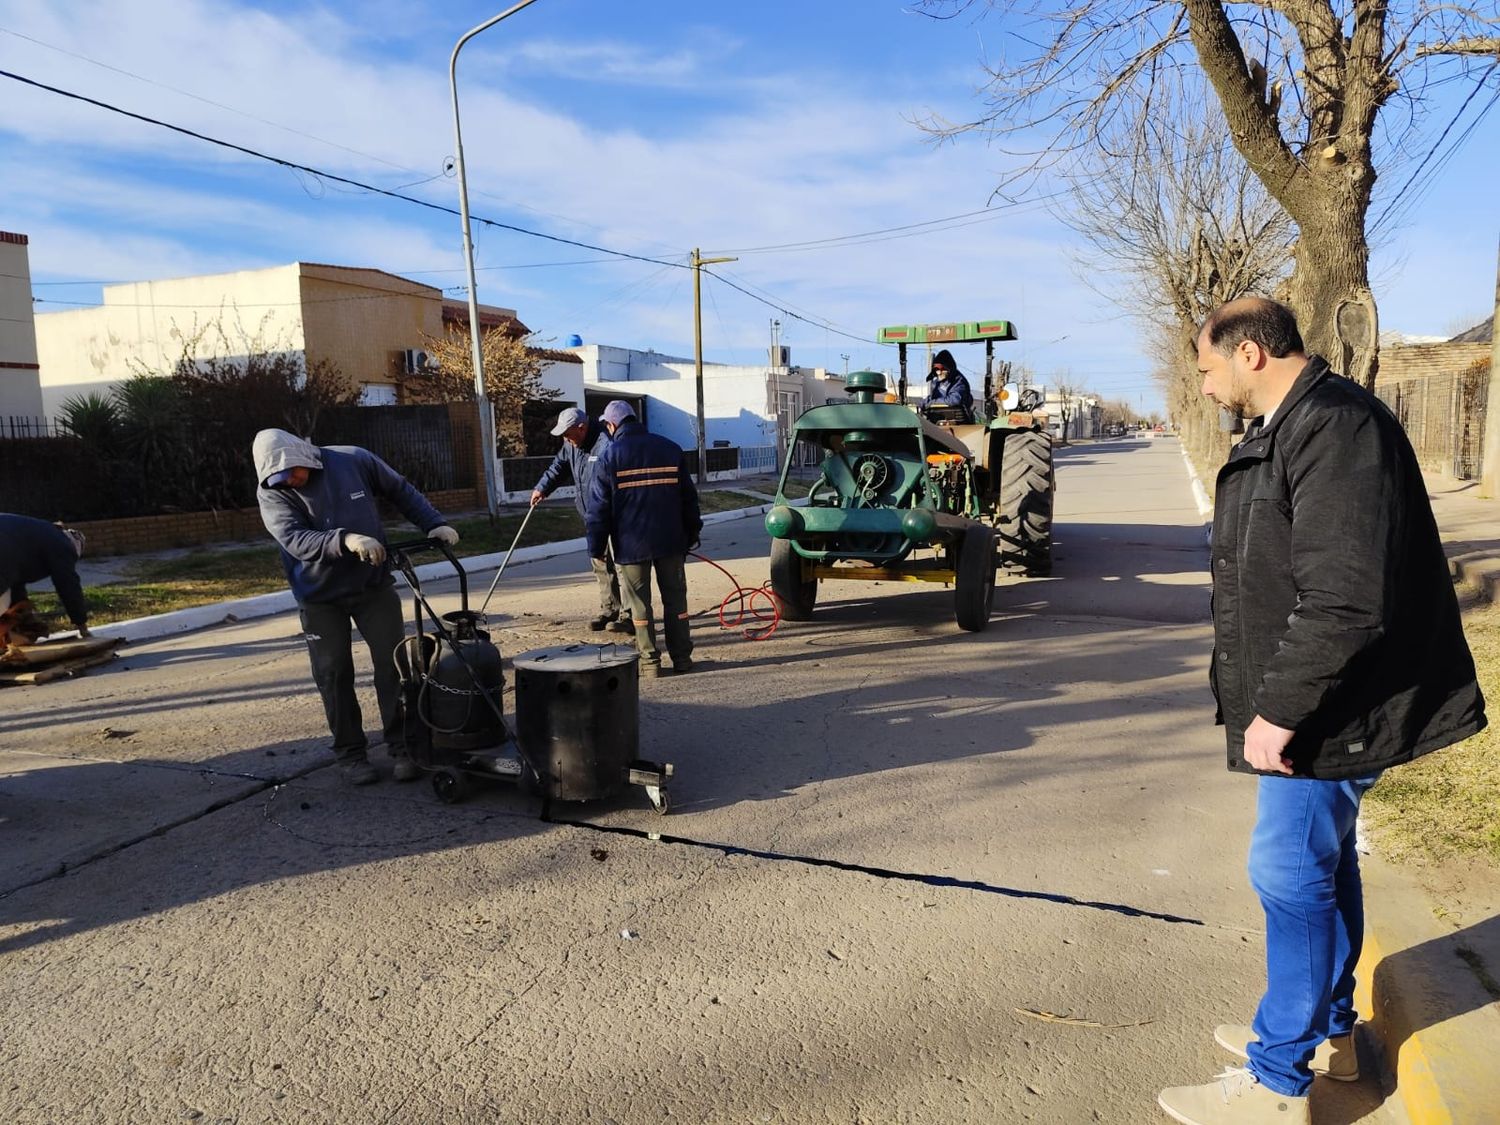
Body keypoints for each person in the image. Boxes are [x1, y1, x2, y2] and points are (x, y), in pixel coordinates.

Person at [1157, 297, 1486, 1125]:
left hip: (1334, 706)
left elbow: (1343, 599)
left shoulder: (1335, 429)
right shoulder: (1296, 426)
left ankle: (1277, 1079)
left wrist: (1278, 710)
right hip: (1327, 699)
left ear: (1251, 353)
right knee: (1324, 863)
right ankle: (1332, 1033)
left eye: (1205, 367)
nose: (1202, 385)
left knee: (1288, 871)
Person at [252, 429, 460, 786]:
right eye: (279, 479)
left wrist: (434, 523)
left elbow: (400, 490)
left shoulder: (352, 460)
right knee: (333, 673)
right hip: (319, 595)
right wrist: (345, 539)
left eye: (292, 473)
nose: (289, 482)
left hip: (371, 585)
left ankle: (402, 747)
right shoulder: (273, 493)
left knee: (394, 664)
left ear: (305, 456)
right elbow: (294, 540)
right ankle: (351, 754)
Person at [585, 401, 703, 678]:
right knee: (676, 602)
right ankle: (683, 659)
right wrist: (692, 533)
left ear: (612, 425)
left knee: (639, 605)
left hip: (631, 545)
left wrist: (597, 547)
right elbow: (689, 499)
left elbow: (598, 510)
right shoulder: (670, 448)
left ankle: (650, 663)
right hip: (671, 542)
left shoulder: (609, 457)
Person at [530, 405, 629, 634]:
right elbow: (558, 467)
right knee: (601, 564)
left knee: (622, 567)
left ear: (582, 428)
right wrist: (542, 488)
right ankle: (609, 609)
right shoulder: (570, 445)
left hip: (614, 516)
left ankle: (629, 615)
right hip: (591, 515)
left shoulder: (606, 443)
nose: (565, 438)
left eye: (567, 433)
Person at [0, 513, 90, 646]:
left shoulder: (40, 534)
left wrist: (21, 618)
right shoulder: (63, 545)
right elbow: (68, 585)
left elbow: (16, 586)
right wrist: (81, 622)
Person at [920, 348, 973, 421]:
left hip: (957, 421)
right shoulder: (937, 382)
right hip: (938, 420)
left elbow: (954, 400)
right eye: (936, 370)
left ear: (949, 368)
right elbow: (933, 398)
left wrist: (932, 403)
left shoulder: (959, 382)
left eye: (941, 369)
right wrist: (922, 404)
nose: (939, 373)